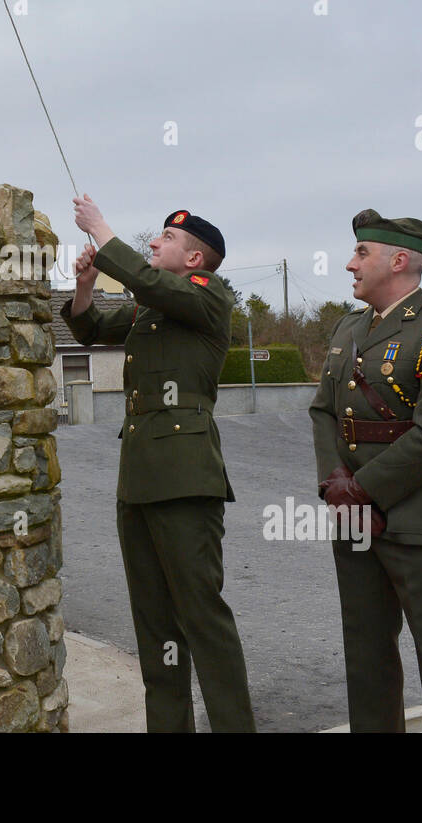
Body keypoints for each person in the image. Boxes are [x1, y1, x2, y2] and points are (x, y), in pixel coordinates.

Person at [61, 195, 256, 732]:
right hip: (139, 478)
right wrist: (83, 286)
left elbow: (151, 284)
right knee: (155, 626)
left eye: (166, 239)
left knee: (201, 617)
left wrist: (101, 230)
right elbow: (91, 329)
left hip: (186, 478)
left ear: (195, 259)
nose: (153, 242)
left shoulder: (208, 296)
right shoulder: (155, 307)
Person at [309, 208, 422, 732]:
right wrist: (334, 484)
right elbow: (323, 410)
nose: (349, 264)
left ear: (400, 260)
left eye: (362, 253)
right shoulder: (348, 327)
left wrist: (361, 489)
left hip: (418, 518)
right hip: (353, 518)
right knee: (366, 659)